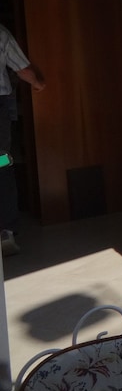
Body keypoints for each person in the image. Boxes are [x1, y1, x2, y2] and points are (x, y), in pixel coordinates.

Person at [0, 23, 45, 256]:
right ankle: (5, 233)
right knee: (2, 163)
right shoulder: (1, 33)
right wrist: (38, 84)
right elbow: (22, 69)